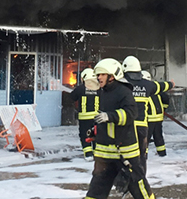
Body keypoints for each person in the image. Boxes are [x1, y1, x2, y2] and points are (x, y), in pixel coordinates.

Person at [85, 58, 154, 199]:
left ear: (112, 76)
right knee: (96, 189)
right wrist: (97, 129)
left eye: (102, 74)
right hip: (105, 153)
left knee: (139, 187)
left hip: (125, 152)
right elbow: (104, 117)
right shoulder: (103, 92)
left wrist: (110, 116)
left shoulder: (124, 91)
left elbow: (131, 113)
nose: (98, 78)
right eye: (98, 75)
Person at [122, 56, 173, 172]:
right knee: (142, 154)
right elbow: (161, 86)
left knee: (126, 153)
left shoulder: (121, 84)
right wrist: (171, 84)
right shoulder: (147, 85)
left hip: (127, 126)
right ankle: (141, 177)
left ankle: (127, 177)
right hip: (142, 125)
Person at [70, 68, 100, 161]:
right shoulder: (99, 88)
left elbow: (72, 97)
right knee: (96, 134)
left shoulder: (80, 88)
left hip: (84, 118)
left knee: (85, 135)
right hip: (97, 118)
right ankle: (96, 152)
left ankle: (88, 154)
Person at [143, 70, 170, 157]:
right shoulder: (155, 88)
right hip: (158, 118)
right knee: (158, 136)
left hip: (149, 119)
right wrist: (163, 108)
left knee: (145, 137)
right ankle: (162, 154)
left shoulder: (144, 90)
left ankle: (144, 155)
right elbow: (166, 98)